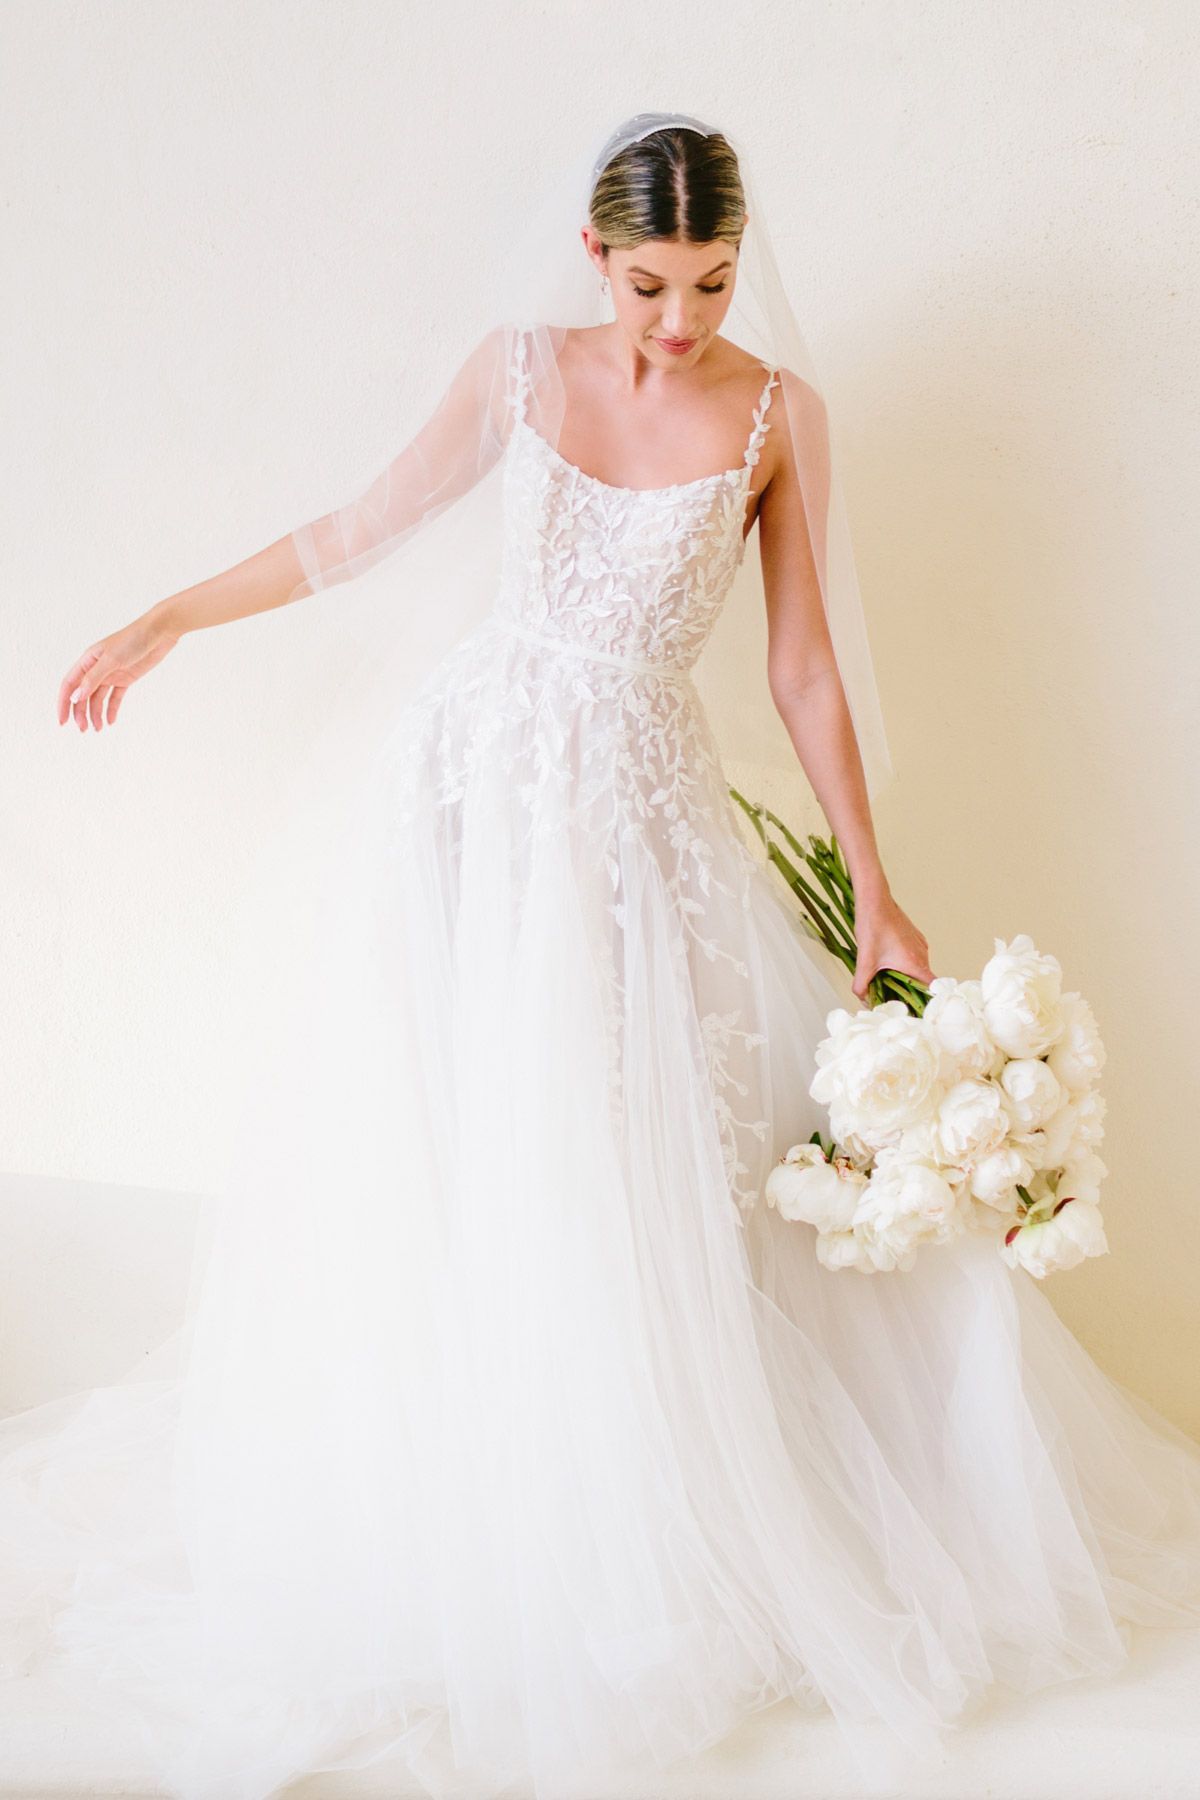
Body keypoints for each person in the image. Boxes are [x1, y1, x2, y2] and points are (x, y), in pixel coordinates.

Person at [11, 111, 1200, 1800]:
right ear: (597, 257)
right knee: (477, 1144)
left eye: (712, 282)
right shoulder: (519, 371)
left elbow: (798, 672)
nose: (681, 321)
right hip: (476, 800)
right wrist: (170, 618)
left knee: (644, 1165)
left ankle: (640, 1524)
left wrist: (876, 885)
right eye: (652, 284)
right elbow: (354, 527)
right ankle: (476, 1507)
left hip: (640, 827)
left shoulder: (780, 417)